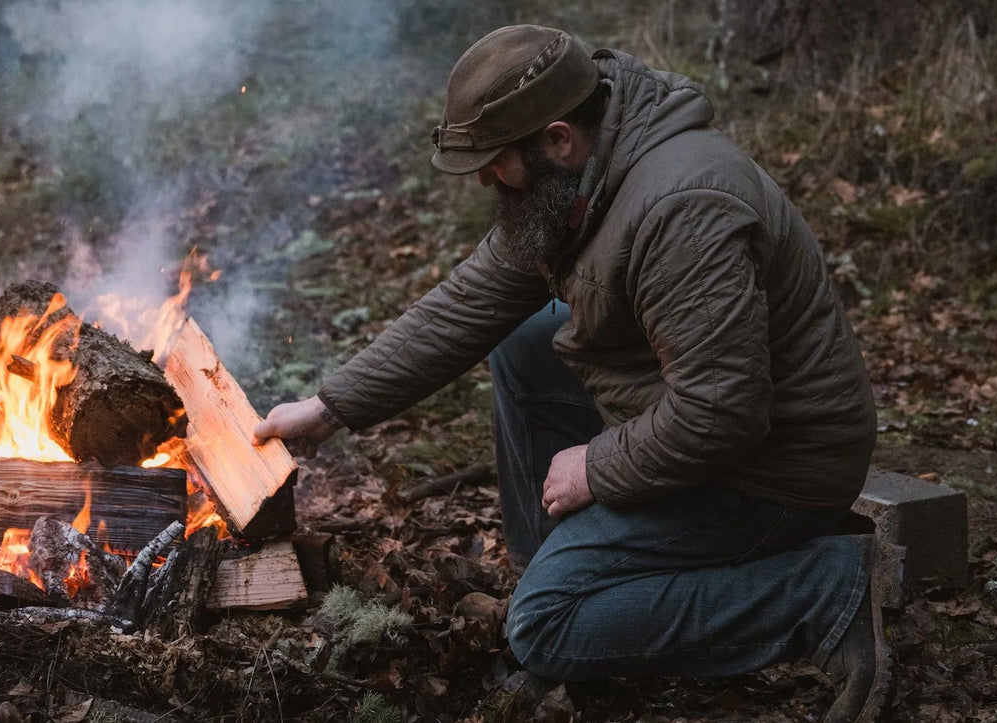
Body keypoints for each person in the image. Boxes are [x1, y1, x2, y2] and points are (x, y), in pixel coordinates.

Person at [254, 24, 896, 722]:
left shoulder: (682, 207)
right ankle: (564, 566)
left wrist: (596, 464)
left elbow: (723, 410)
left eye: (495, 160)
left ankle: (824, 592)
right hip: (700, 421)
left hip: (773, 473)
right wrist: (330, 404)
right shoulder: (581, 180)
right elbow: (470, 301)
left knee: (545, 626)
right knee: (524, 343)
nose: (482, 179)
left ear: (557, 138)